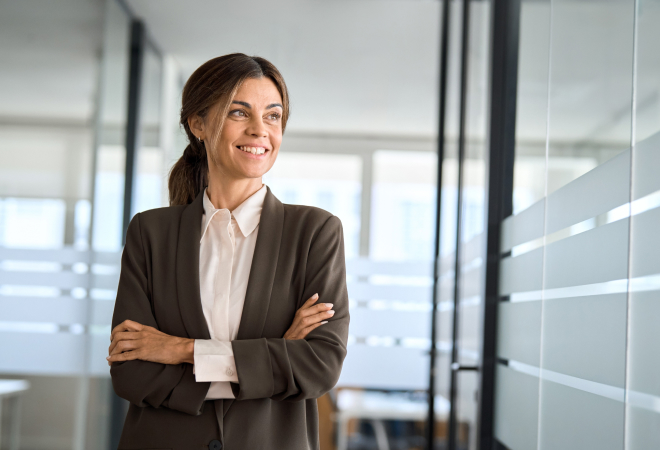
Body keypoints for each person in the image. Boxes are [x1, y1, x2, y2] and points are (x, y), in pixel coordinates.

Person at [106, 53, 349, 450]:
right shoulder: (151, 233)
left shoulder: (315, 232)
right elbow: (132, 373)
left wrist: (180, 350)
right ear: (198, 124)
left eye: (273, 115)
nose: (260, 130)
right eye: (240, 113)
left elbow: (318, 367)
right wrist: (274, 357)